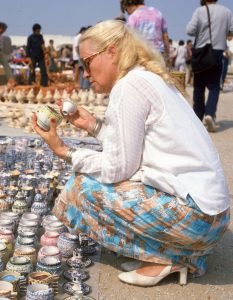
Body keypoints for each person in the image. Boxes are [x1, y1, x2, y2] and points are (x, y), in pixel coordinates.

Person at [32, 20, 230, 287]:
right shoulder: (145, 78)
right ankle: (176, 254)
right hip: (210, 218)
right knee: (100, 178)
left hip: (198, 219)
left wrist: (63, 150)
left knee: (81, 187)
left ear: (111, 51)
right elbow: (133, 150)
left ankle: (168, 257)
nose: (85, 72)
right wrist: (93, 125)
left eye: (87, 62)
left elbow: (118, 168)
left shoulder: (129, 86)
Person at [186, 0, 233, 132]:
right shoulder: (226, 12)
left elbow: (189, 30)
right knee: (214, 86)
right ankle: (210, 114)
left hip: (201, 52)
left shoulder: (200, 11)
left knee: (199, 86)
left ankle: (197, 117)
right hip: (217, 52)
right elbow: (231, 32)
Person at [120, 0, 170, 65]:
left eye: (126, 10)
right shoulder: (157, 13)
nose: (128, 13)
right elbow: (165, 35)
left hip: (141, 55)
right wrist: (167, 54)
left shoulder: (133, 17)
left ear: (128, 4)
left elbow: (128, 39)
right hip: (158, 54)